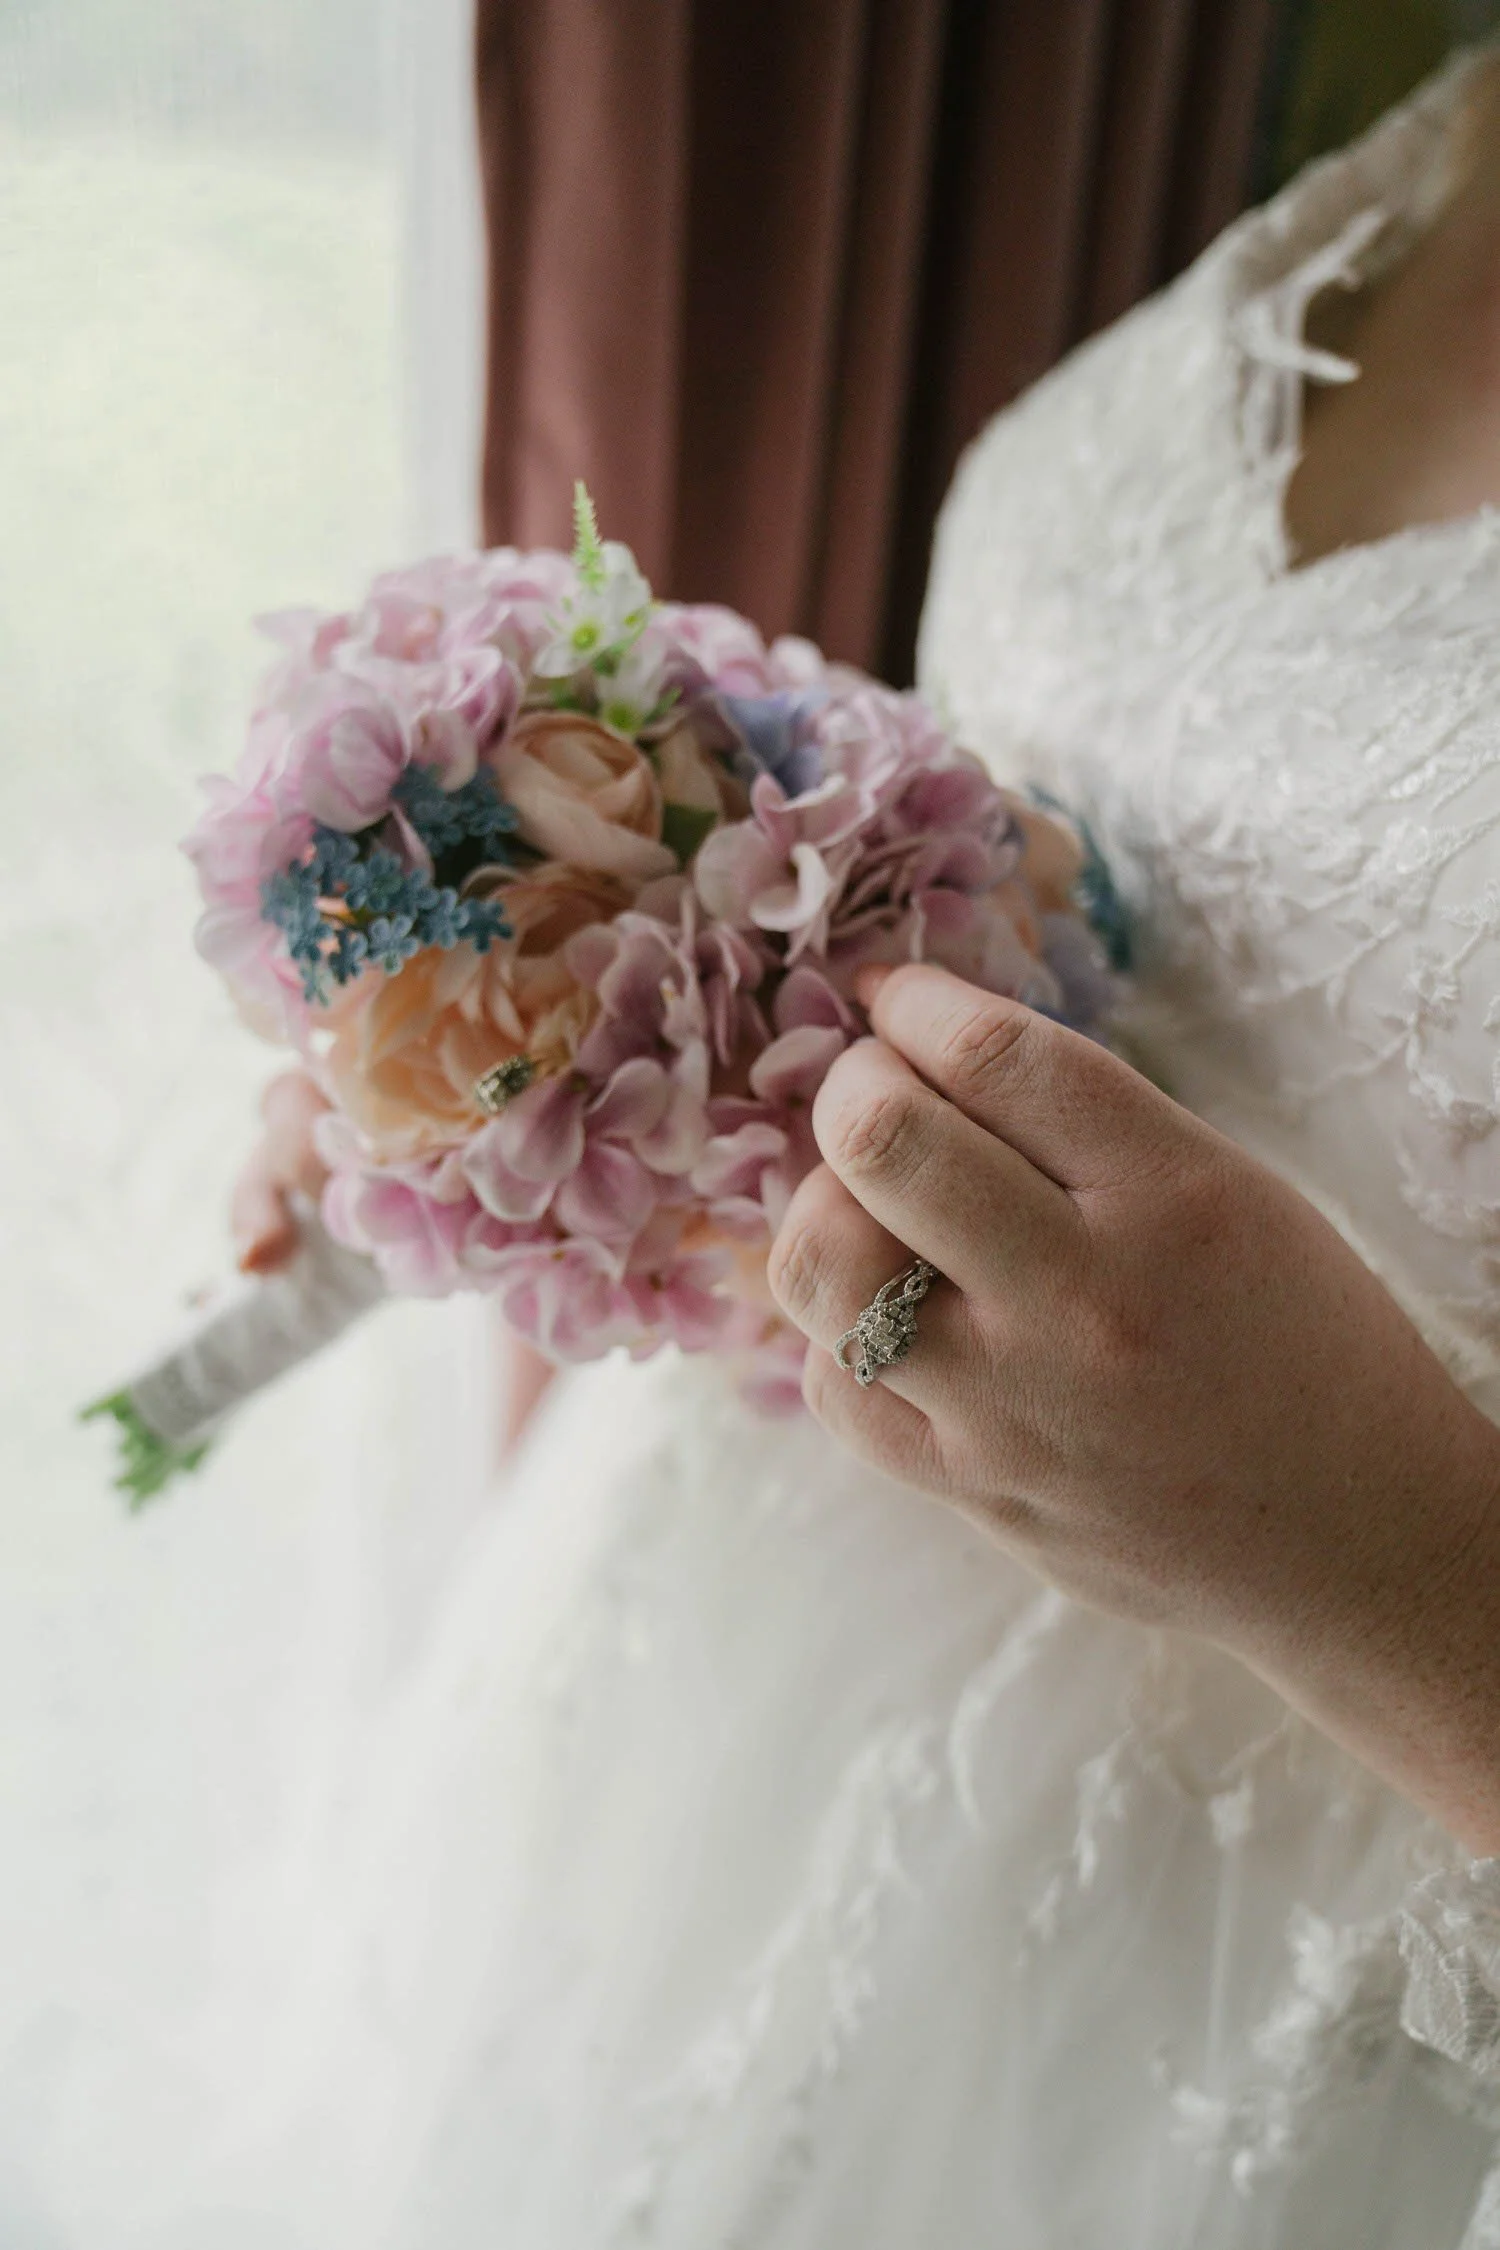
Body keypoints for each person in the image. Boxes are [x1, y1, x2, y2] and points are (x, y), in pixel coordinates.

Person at [218, 45, 1500, 2248]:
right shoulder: (1429, 120)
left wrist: (1390, 1569)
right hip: (703, 1689)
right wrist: (531, 1019)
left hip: (1248, 1961)